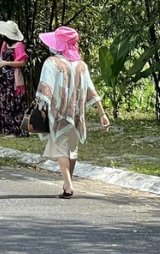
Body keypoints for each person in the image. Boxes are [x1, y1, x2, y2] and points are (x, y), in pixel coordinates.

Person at [36, 26, 111, 199]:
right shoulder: (81, 66)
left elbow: (45, 88)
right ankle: (67, 182)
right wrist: (102, 114)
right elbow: (92, 91)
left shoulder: (51, 62)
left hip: (58, 112)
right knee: (72, 148)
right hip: (77, 114)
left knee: (61, 146)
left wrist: (42, 107)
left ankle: (68, 185)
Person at [0, 19, 29, 136]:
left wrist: (7, 63)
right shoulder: (4, 44)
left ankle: (17, 131)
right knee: (4, 102)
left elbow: (22, 63)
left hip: (14, 78)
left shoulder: (19, 45)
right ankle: (7, 130)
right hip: (4, 77)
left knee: (15, 103)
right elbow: (2, 57)